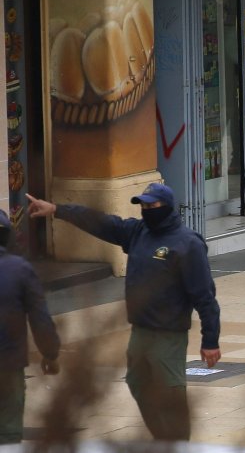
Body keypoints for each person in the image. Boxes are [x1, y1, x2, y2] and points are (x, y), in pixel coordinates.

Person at [26, 183, 221, 441]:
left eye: (152, 205)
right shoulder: (138, 231)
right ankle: (163, 439)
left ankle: (178, 445)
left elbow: (204, 295)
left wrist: (210, 340)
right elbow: (101, 223)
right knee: (138, 384)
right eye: (143, 205)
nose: (146, 210)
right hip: (140, 330)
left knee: (171, 393)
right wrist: (57, 210)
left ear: (167, 207)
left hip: (168, 334)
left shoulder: (187, 244)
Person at [0, 210, 60, 445]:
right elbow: (40, 318)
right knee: (8, 434)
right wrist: (50, 354)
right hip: (9, 363)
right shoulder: (20, 270)